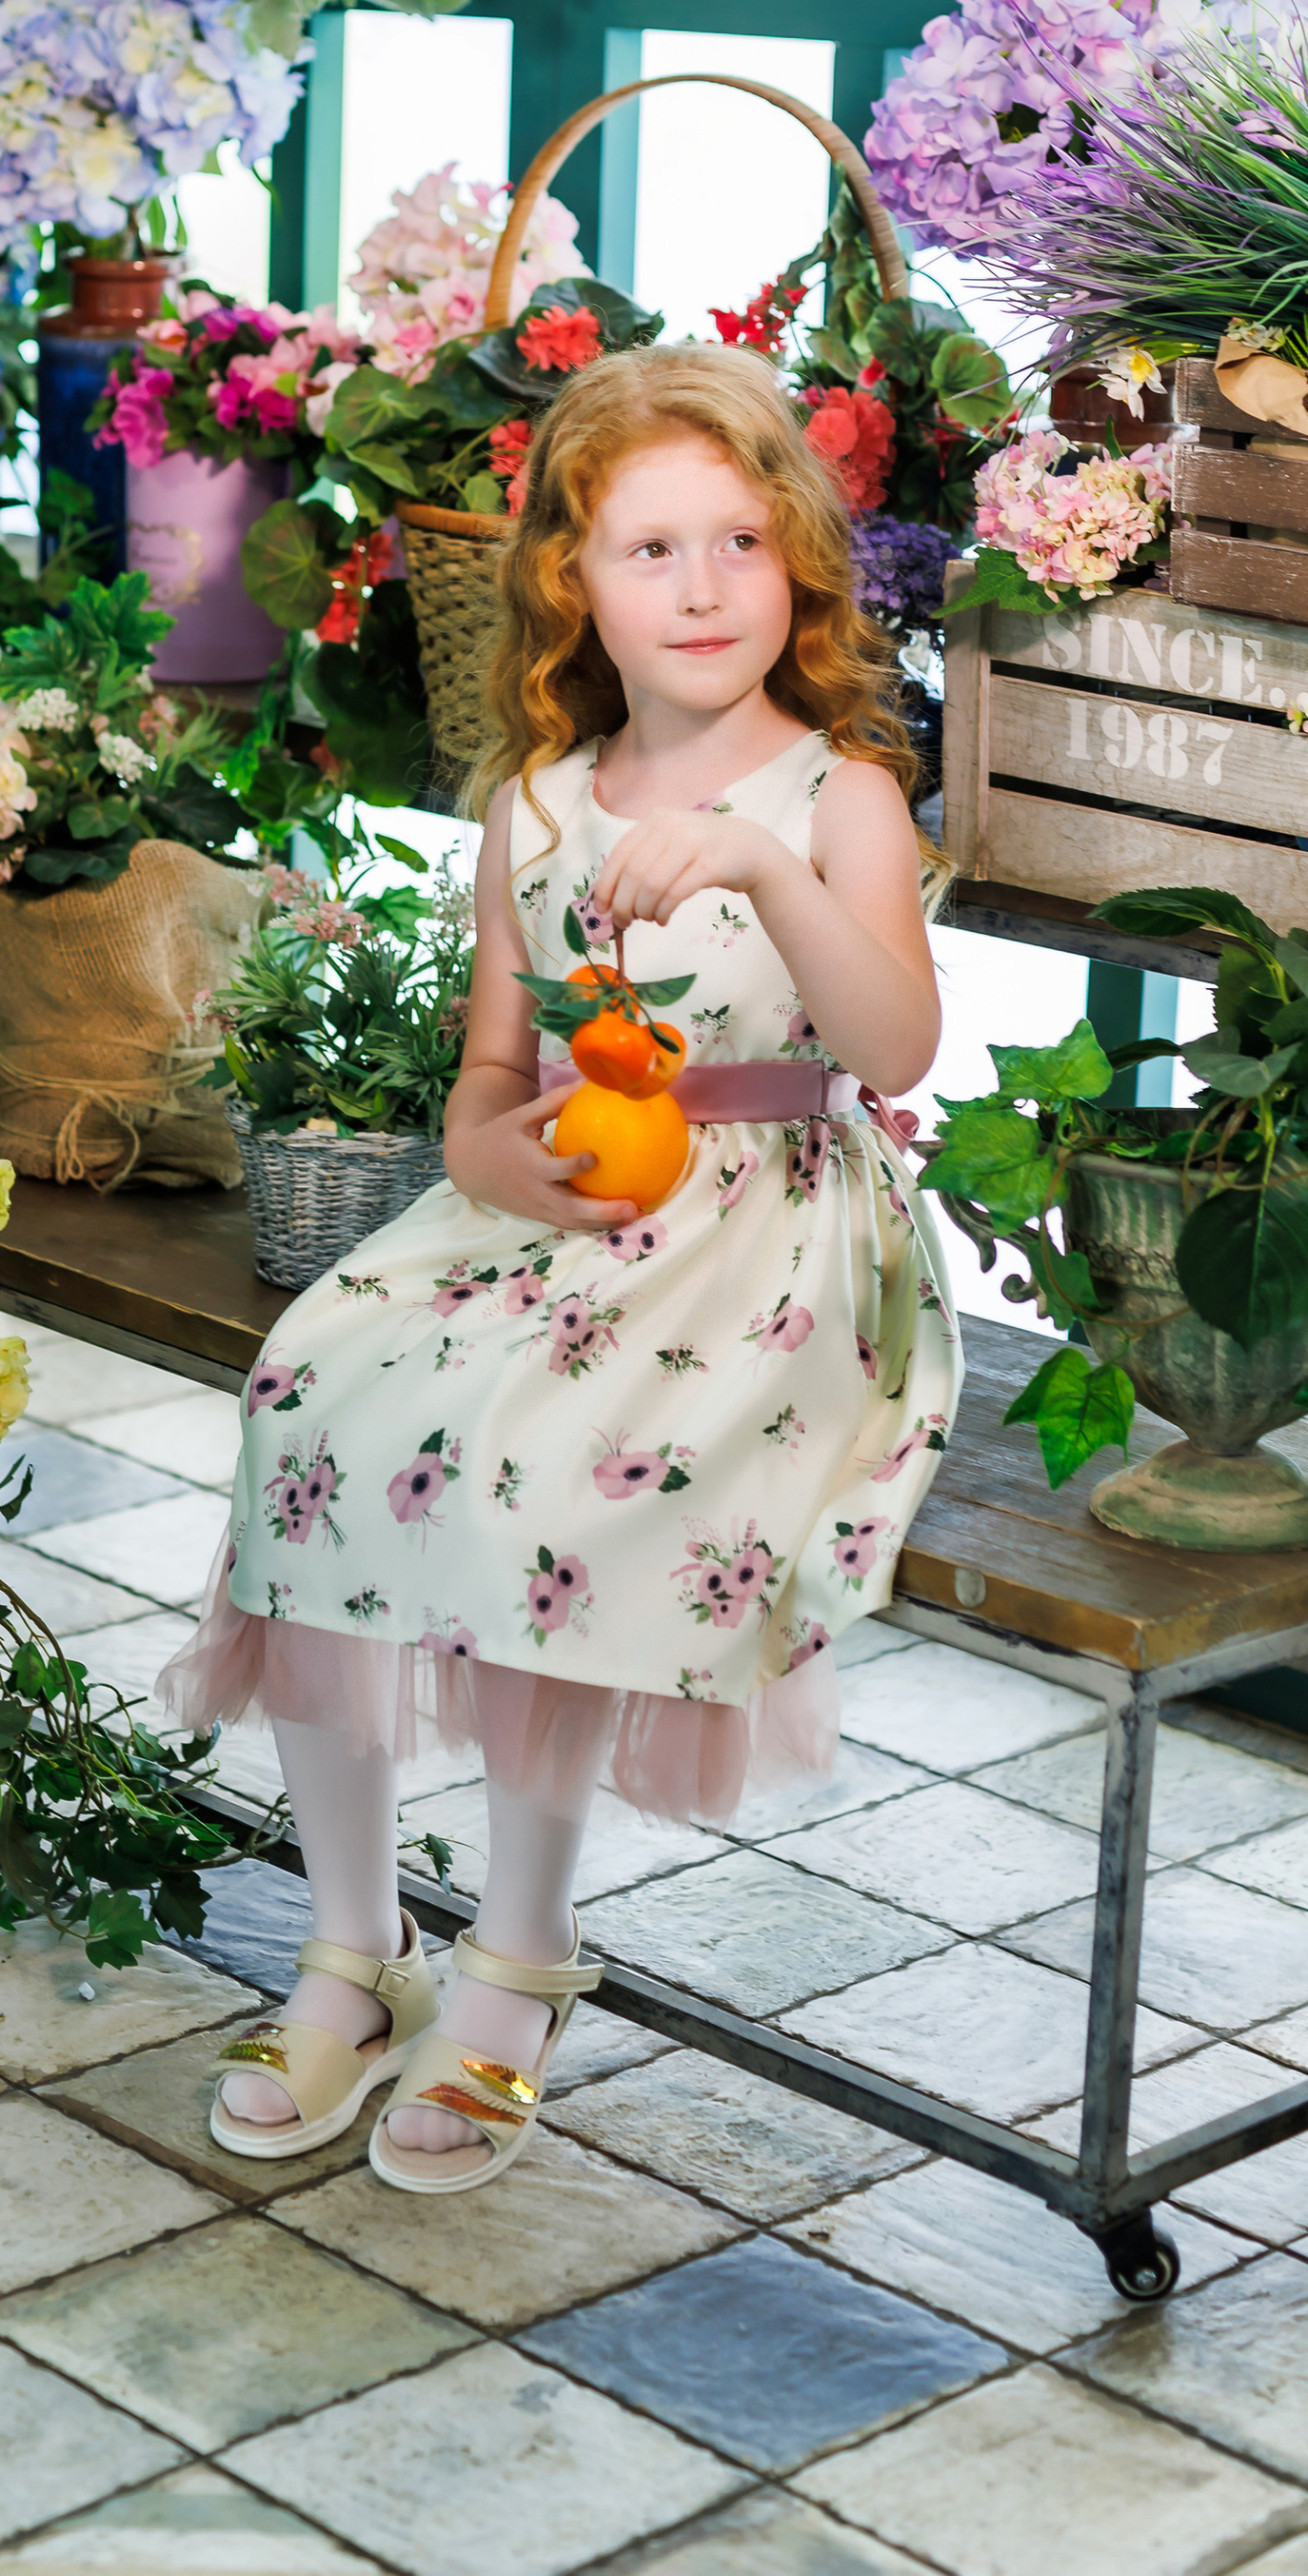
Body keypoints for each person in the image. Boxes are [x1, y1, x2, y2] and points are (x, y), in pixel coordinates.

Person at [159, 343, 963, 2193]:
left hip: (764, 1229)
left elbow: (895, 1047)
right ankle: (353, 1953)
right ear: (570, 591)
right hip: (565, 1211)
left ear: (796, 571)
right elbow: (480, 1096)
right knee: (319, 1395)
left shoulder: (836, 797)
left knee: (552, 1462)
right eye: (646, 550)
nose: (697, 588)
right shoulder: (534, 805)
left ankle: (515, 1961)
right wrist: (491, 1166)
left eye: (737, 543)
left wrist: (765, 875)